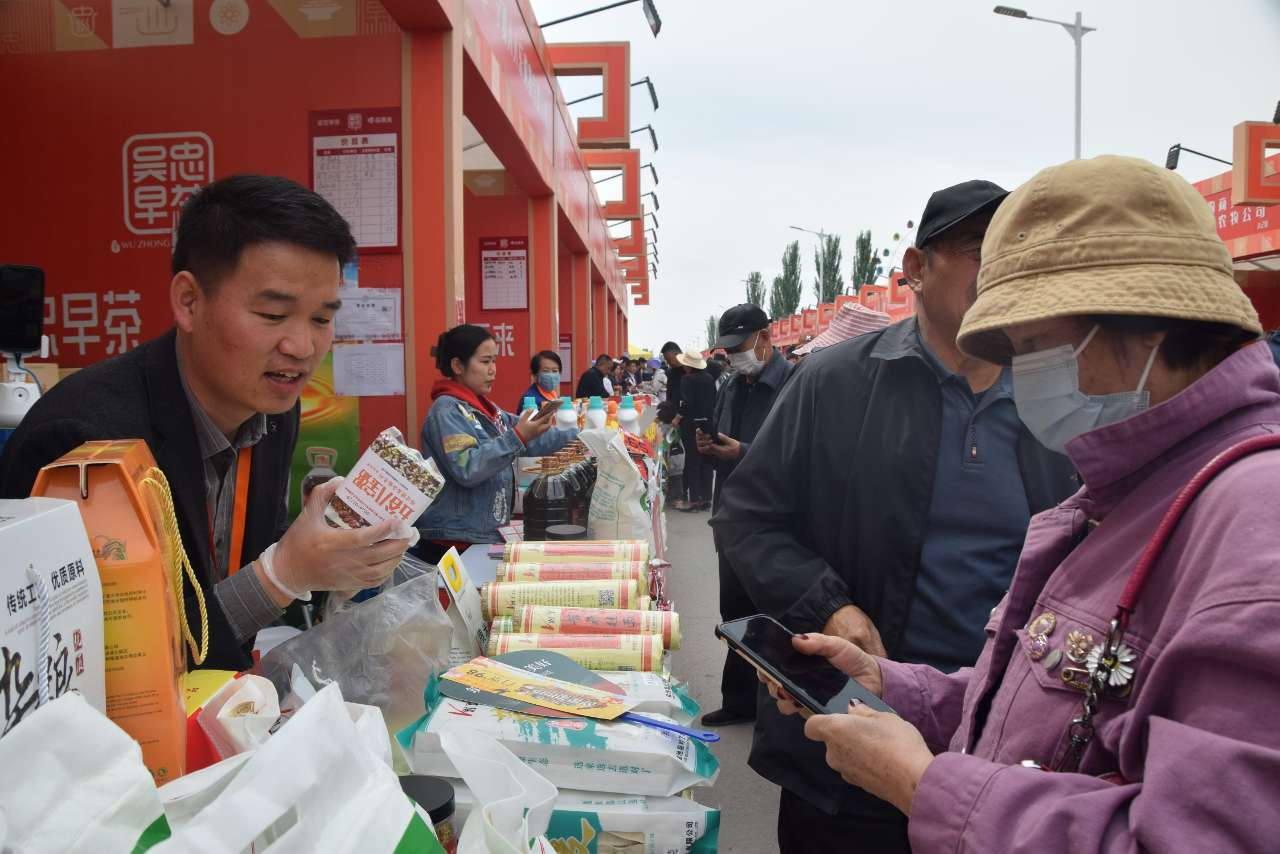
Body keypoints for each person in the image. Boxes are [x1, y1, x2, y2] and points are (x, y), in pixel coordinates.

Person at [766, 154, 1280, 853]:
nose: (1023, 372)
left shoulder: (1253, 526)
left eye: (1037, 344)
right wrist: (895, 686)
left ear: (1146, 329)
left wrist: (925, 787)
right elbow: (1045, 713)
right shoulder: (1127, 489)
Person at [710, 178, 1077, 853]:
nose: (1004, 272)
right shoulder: (835, 383)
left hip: (1005, 747)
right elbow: (747, 517)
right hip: (855, 727)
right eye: (981, 250)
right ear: (916, 267)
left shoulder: (1058, 398)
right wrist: (829, 607)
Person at [0, 174, 414, 671]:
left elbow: (231, 551)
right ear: (189, 302)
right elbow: (110, 659)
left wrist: (329, 556)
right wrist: (281, 575)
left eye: (322, 319)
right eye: (272, 314)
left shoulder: (274, 411)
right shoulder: (83, 443)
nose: (303, 348)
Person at [696, 304, 793, 727]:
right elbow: (725, 444)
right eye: (729, 351)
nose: (736, 357)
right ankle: (738, 702)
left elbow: (798, 455)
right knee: (734, 616)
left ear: (765, 338)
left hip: (775, 521)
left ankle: (780, 708)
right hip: (732, 518)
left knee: (776, 618)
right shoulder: (732, 386)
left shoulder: (794, 384)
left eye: (741, 347)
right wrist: (713, 451)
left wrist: (745, 453)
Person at [417, 325, 577, 562]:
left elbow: (533, 439)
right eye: (485, 361)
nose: (492, 370)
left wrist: (582, 437)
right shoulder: (446, 411)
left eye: (494, 361)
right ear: (458, 366)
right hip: (452, 541)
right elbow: (468, 466)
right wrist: (518, 436)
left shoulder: (488, 410)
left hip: (478, 535)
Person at [675, 351, 716, 512]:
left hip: (692, 425)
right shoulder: (709, 378)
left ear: (688, 366)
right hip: (709, 423)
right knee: (707, 460)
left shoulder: (687, 380)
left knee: (692, 461)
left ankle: (694, 501)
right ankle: (707, 499)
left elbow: (686, 403)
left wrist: (677, 418)